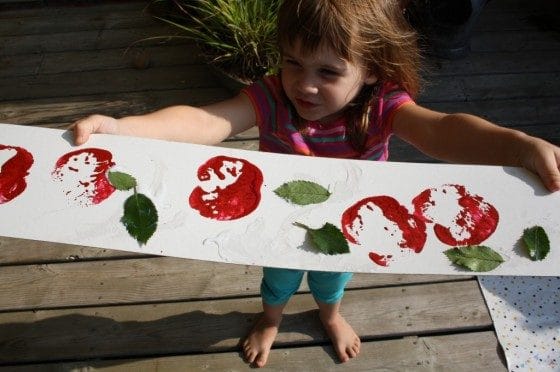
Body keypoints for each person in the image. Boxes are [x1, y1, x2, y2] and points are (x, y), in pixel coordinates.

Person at [73, 0, 560, 367]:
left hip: (349, 231)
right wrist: (126, 128)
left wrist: (514, 146)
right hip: (280, 225)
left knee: (332, 281)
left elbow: (442, 130)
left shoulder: (384, 106)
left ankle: (328, 315)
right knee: (277, 282)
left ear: (371, 70)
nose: (304, 85)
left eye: (328, 71)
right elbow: (206, 120)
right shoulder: (271, 97)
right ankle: (271, 319)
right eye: (292, 62)